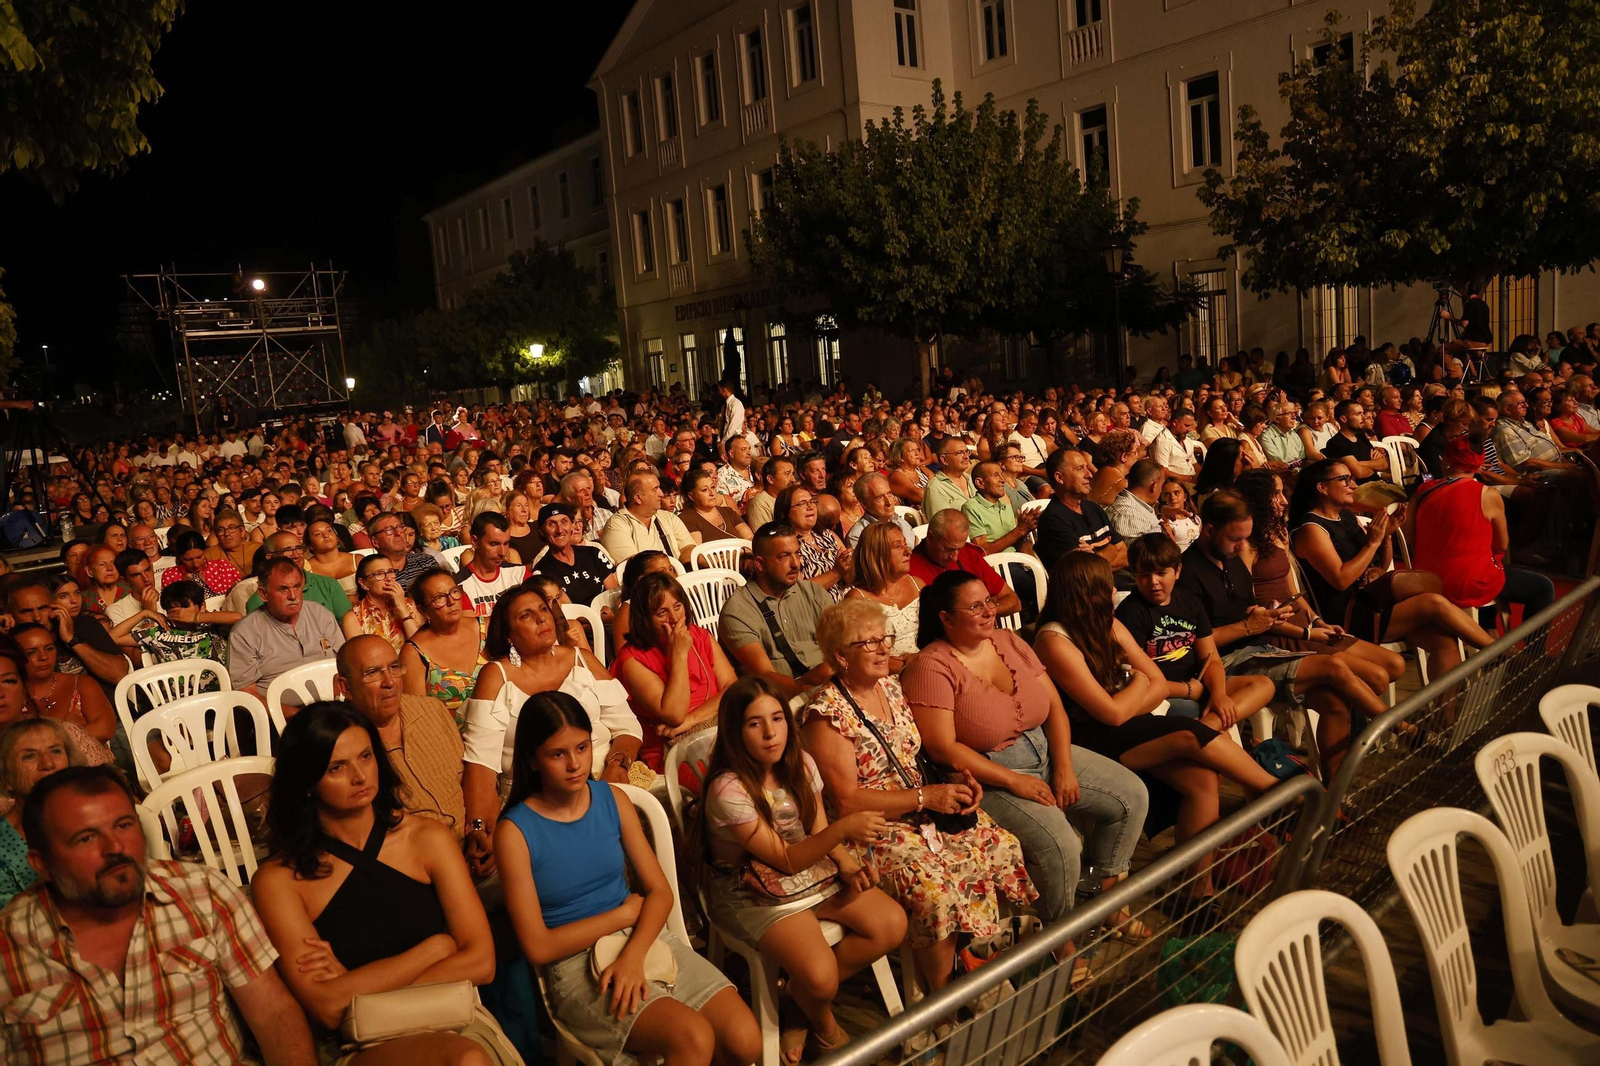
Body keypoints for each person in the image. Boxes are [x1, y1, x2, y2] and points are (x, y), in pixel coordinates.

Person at [494, 691, 761, 1066]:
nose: (575, 764)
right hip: (574, 961)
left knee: (746, 1041)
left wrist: (633, 953)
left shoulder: (611, 799)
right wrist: (622, 916)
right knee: (693, 1038)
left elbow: (659, 893)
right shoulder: (515, 832)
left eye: (582, 748)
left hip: (642, 938)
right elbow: (538, 947)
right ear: (532, 761)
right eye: (557, 754)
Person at [250, 702, 516, 1063]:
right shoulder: (279, 880)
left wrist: (355, 986)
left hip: (451, 1017)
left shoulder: (426, 838)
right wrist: (436, 948)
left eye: (365, 757)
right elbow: (327, 1008)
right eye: (337, 768)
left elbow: (482, 962)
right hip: (362, 1041)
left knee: (468, 1057)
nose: (360, 777)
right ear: (308, 782)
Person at [0, 765, 317, 1064]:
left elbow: (273, 1012)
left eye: (124, 825)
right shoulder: (9, 944)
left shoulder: (203, 893)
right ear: (41, 864)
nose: (115, 847)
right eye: (86, 838)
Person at [902, 571, 1149, 947]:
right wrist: (1014, 780)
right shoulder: (932, 666)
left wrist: (1063, 766)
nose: (988, 611)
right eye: (974, 606)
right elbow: (942, 748)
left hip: (1043, 749)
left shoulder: (1009, 641)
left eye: (989, 601)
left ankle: (1105, 897)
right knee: (1062, 845)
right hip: (986, 773)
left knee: (1131, 795)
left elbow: (1054, 709)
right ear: (946, 618)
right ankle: (1057, 937)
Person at [803, 600, 1034, 996]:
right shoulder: (827, 713)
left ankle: (986, 965)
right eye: (868, 643)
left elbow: (914, 756)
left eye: (884, 639)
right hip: (872, 830)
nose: (882, 649)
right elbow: (847, 802)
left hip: (922, 807)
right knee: (934, 885)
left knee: (1000, 845)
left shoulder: (891, 688)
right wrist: (926, 798)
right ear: (840, 655)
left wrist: (958, 786)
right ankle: (942, 996)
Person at [1037, 552, 1279, 899]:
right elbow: (1114, 713)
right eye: (1106, 586)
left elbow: (1157, 681)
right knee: (1187, 731)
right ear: (1086, 591)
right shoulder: (1054, 640)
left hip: (1130, 724)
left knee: (1203, 779)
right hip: (1086, 742)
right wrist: (1137, 688)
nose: (1112, 594)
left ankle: (1198, 890)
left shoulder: (1106, 622)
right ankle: (1276, 794)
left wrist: (1135, 694)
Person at [699, 676, 907, 1060]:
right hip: (752, 892)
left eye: (777, 718)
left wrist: (846, 862)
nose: (770, 733)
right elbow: (785, 858)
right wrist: (845, 830)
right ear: (734, 730)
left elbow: (816, 829)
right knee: (821, 976)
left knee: (891, 923)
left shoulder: (800, 762)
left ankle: (798, 1003)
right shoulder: (728, 789)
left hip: (809, 873)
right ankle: (828, 1030)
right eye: (754, 723)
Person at [461, 586, 641, 878]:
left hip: (608, 778)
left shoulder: (582, 659)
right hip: (536, 797)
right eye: (526, 616)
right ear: (509, 635)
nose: (541, 619)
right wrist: (481, 828)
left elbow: (627, 726)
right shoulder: (496, 676)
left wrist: (617, 765)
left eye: (543, 610)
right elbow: (481, 763)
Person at [1291, 459, 1494, 678]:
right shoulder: (1312, 529)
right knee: (1432, 602)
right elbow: (1341, 579)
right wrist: (1373, 543)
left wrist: (1386, 535)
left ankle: (1444, 713)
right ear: (1322, 487)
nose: (1353, 485)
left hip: (1373, 600)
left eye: (1352, 478)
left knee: (1445, 643)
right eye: (1345, 479)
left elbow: (1380, 564)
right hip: (1346, 614)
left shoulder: (1347, 517)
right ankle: (1500, 652)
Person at [1410, 434, 1556, 620]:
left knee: (1486, 571)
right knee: (1542, 587)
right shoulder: (1488, 495)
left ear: (1447, 460)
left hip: (1424, 578)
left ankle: (1488, 631)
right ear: (1479, 465)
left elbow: (1409, 538)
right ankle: (1533, 649)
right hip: (1465, 582)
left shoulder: (1423, 490)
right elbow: (1502, 545)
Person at [613, 572, 737, 772]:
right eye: (662, 613)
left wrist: (691, 720)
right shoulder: (631, 660)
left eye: (677, 607)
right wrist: (679, 654)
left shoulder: (699, 635)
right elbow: (674, 715)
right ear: (645, 619)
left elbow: (732, 687)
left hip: (717, 726)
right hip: (672, 748)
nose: (674, 618)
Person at [717, 523, 837, 701]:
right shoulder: (737, 610)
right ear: (760, 564)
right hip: (780, 701)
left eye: (797, 553)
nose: (796, 564)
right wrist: (812, 692)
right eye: (784, 556)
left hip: (831, 685)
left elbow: (844, 643)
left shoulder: (812, 592)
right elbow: (764, 676)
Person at [230, 558, 346, 696]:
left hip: (334, 704)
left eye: (297, 587)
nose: (293, 596)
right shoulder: (244, 633)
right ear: (264, 594)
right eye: (283, 589)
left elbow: (344, 665)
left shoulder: (320, 614)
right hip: (281, 713)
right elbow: (247, 694)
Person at [0, 718, 83, 908]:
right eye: (29, 756)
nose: (48, 764)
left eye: (55, 751)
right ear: (6, 778)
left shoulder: (95, 818)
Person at [403, 568, 488, 727]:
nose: (451, 601)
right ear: (423, 610)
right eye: (439, 598)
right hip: (452, 742)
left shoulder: (486, 628)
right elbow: (418, 719)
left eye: (454, 591)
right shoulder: (414, 653)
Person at [12, 624, 118, 747]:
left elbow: (105, 730)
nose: (44, 657)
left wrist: (40, 741)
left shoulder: (81, 684)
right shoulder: (10, 694)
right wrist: (73, 730)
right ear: (15, 656)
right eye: (31, 652)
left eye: (49, 648)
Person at [907, 509, 1023, 621]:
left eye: (959, 549)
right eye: (949, 549)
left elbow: (1014, 601)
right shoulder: (909, 569)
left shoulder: (969, 554)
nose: (955, 557)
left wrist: (983, 613)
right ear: (931, 537)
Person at [1035, 447, 1128, 575]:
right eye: (1080, 469)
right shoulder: (1052, 520)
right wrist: (1111, 548)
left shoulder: (1093, 508)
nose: (1089, 475)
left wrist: (1097, 555)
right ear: (1059, 478)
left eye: (1086, 467)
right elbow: (1085, 572)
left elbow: (1125, 555)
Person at [845, 522, 923, 671]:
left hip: (931, 665)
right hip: (888, 676)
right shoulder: (858, 600)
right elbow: (860, 656)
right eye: (898, 546)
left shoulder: (917, 584)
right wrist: (907, 664)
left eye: (906, 544)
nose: (908, 552)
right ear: (877, 555)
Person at [530, 503, 618, 608]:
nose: (559, 530)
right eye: (552, 524)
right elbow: (567, 613)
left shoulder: (594, 553)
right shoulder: (542, 573)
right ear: (541, 531)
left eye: (564, 522)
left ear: (572, 526)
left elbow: (614, 596)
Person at [600, 471, 697, 566]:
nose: (661, 494)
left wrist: (686, 569)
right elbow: (634, 567)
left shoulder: (668, 517)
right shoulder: (617, 525)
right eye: (655, 489)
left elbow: (688, 547)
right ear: (638, 498)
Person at [775, 485, 852, 598]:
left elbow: (850, 576)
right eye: (802, 503)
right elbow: (797, 591)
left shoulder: (827, 535)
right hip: (816, 609)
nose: (810, 507)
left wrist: (850, 565)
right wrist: (836, 572)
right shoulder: (785, 545)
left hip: (846, 602)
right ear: (787, 513)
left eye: (812, 501)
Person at [457, 512, 531, 623]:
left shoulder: (520, 574)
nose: (502, 553)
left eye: (506, 544)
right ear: (475, 542)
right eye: (494, 544)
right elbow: (471, 629)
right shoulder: (460, 586)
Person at [342, 551, 425, 649]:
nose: (389, 579)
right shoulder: (354, 617)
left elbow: (422, 647)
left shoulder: (409, 604)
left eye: (390, 572)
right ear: (363, 583)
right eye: (379, 574)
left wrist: (402, 609)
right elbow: (362, 657)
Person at [963, 461, 1038, 554]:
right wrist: (1020, 530)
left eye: (1002, 474)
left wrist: (1026, 530)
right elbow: (982, 550)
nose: (1003, 480)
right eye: (996, 475)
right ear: (980, 483)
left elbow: (1015, 545)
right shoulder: (971, 507)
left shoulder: (1005, 506)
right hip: (997, 564)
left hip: (1018, 559)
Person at [678, 468, 755, 546]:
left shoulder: (728, 512)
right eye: (704, 490)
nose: (712, 493)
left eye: (713, 487)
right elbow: (698, 553)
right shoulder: (687, 519)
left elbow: (749, 538)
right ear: (691, 496)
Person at [368, 509, 438, 593]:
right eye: (389, 530)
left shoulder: (425, 561)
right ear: (375, 541)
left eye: (400, 527)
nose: (398, 533)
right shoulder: (374, 575)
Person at [162, 528, 243, 596]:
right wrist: (182, 588)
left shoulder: (222, 567)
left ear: (205, 552)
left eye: (199, 557)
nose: (196, 564)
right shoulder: (170, 576)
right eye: (188, 560)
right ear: (179, 557)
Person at [846, 472, 915, 550]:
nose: (889, 502)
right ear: (864, 504)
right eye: (879, 498)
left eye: (889, 494)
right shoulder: (857, 536)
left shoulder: (902, 523)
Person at [1105, 459, 1166, 541]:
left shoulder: (1134, 506)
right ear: (1154, 485)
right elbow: (1140, 553)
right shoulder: (1130, 515)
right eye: (1161, 486)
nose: (1161, 490)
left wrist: (1162, 508)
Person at [922, 436, 978, 519]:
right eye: (959, 453)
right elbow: (942, 526)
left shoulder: (970, 478)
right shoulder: (935, 487)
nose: (966, 457)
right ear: (944, 459)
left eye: (967, 452)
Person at [304, 517, 358, 600]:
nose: (326, 535)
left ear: (336, 537)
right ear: (310, 545)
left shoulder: (357, 561)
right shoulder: (306, 570)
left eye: (329, 530)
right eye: (317, 534)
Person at [746, 454, 795, 531]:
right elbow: (764, 539)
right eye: (787, 474)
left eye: (793, 474)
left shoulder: (793, 498)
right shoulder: (760, 504)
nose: (793, 479)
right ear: (771, 479)